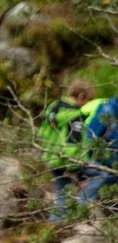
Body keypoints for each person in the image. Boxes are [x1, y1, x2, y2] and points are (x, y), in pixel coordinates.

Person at [39, 78, 94, 219]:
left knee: (61, 192)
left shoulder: (54, 107)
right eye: (87, 100)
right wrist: (78, 167)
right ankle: (80, 210)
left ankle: (55, 224)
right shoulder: (75, 115)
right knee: (102, 175)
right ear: (81, 97)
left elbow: (43, 133)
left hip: (53, 157)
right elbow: (73, 143)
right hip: (68, 160)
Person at [78, 94, 118, 207]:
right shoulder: (107, 111)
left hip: (109, 155)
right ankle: (81, 205)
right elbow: (90, 138)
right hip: (94, 156)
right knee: (106, 175)